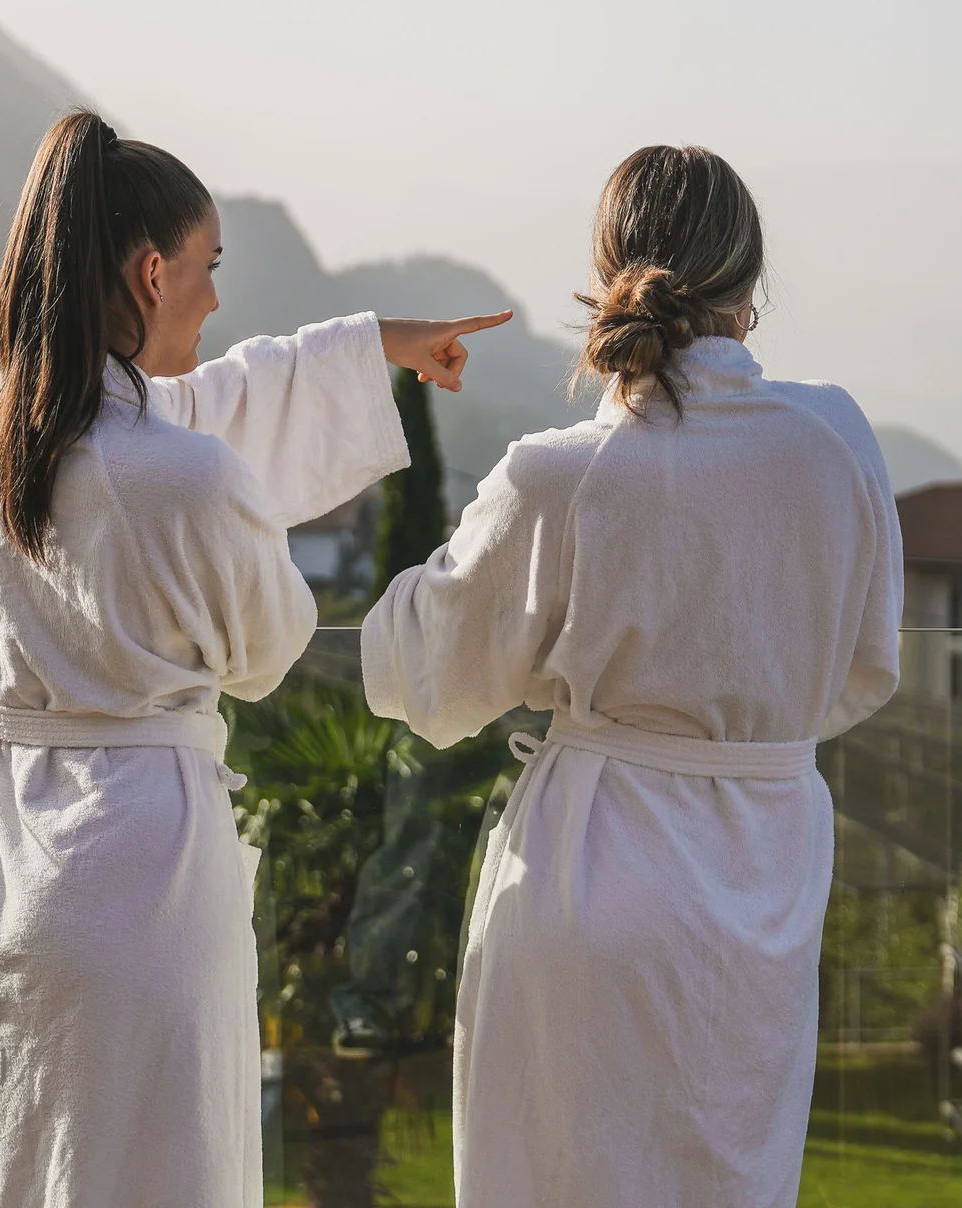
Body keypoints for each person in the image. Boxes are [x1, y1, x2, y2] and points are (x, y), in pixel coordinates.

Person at [0, 109, 508, 1208]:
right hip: (136, 882)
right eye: (207, 269)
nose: (218, 299)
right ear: (149, 273)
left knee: (17, 1153)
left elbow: (186, 406)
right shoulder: (185, 476)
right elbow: (265, 648)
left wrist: (376, 343)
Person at [361, 144, 903, 1208]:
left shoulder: (558, 476)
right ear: (751, 286)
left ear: (608, 269)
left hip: (588, 880)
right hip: (768, 880)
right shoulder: (836, 443)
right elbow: (865, 665)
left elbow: (421, 678)